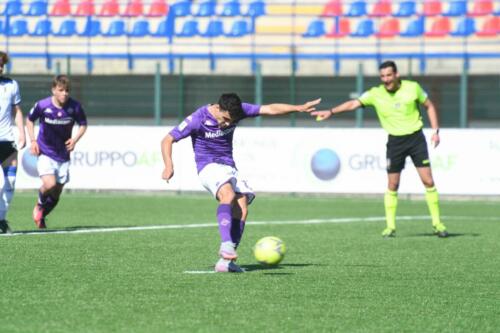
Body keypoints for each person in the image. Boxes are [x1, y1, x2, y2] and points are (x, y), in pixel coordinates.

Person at [161, 93, 320, 272]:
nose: (229, 123)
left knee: (242, 206)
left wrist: (297, 108)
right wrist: (169, 166)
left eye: (233, 120)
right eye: (226, 119)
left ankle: (226, 262)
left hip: (229, 166)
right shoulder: (197, 119)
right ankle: (226, 244)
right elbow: (167, 139)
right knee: (227, 194)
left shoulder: (239, 110)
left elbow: (269, 109)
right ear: (219, 108)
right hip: (208, 166)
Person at [312, 60, 448, 238]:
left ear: (396, 75)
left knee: (428, 181)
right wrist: (331, 111)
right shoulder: (375, 94)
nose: (386, 79)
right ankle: (390, 227)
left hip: (416, 139)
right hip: (395, 143)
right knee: (393, 184)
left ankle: (437, 224)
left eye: (389, 75)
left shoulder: (412, 88)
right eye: (382, 76)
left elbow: (429, 106)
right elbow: (353, 104)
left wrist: (435, 131)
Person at [26, 75, 87, 229]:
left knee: (57, 192)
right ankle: (39, 205)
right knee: (50, 183)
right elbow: (29, 120)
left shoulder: (75, 107)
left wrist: (75, 140)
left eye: (67, 90)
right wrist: (33, 140)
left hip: (63, 155)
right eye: (61, 90)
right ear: (53, 90)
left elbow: (83, 124)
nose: (65, 93)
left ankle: (42, 216)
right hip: (45, 151)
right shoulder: (43, 105)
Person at [0, 51, 26, 234]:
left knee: (10, 182)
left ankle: (1, 220)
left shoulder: (11, 85)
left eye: (1, 64)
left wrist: (22, 133)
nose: (0, 67)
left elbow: (17, 111)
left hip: (7, 139)